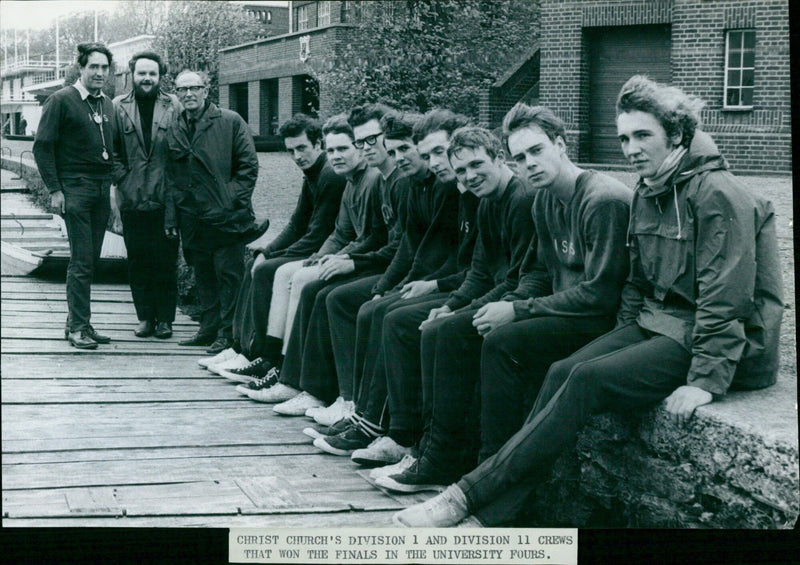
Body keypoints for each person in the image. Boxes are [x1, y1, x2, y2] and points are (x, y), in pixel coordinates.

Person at [393, 75, 783, 528]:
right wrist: (620, 336)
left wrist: (708, 380)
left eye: (643, 135)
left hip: (715, 345)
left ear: (675, 134)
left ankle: (470, 496)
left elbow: (726, 297)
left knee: (585, 378)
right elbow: (637, 285)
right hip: (661, 324)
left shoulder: (716, 192)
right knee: (563, 370)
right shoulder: (652, 187)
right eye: (624, 138)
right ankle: (496, 508)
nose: (631, 148)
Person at [316, 127, 536, 464]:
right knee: (395, 314)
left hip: (512, 301)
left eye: (475, 165)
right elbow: (475, 268)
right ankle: (395, 430)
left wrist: (453, 302)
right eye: (461, 169)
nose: (468, 175)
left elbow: (511, 277)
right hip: (481, 293)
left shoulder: (515, 198)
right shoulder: (482, 199)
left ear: (499, 158)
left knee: (414, 323)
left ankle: (424, 446)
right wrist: (449, 304)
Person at [238, 105, 410, 418]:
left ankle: (312, 384)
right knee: (303, 278)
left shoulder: (379, 180)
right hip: (375, 262)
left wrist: (347, 260)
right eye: (334, 150)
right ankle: (284, 368)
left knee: (322, 291)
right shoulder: (355, 182)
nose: (338, 155)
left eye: (346, 147)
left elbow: (378, 239)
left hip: (386, 269)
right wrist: (323, 256)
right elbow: (341, 231)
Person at [201, 114, 346, 376]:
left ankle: (258, 352)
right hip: (316, 244)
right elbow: (295, 224)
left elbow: (317, 233)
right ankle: (240, 346)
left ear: (318, 144)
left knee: (267, 270)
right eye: (291, 150)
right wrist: (266, 251)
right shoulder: (311, 174)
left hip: (328, 249)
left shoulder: (330, 176)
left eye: (302, 148)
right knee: (257, 261)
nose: (297, 156)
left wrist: (275, 257)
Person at [166, 70, 261, 355]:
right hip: (192, 218)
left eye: (195, 88)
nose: (188, 94)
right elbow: (172, 174)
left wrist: (228, 200)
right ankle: (208, 329)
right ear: (177, 94)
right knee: (202, 272)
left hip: (227, 217)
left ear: (207, 91)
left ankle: (228, 334)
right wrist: (173, 214)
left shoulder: (230, 121)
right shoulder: (176, 125)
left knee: (228, 274)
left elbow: (248, 167)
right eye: (182, 90)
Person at [33, 42, 116, 350]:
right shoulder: (61, 100)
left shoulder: (107, 104)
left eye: (104, 67)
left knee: (90, 259)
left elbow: (114, 150)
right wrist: (55, 189)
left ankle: (80, 322)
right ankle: (77, 327)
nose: (99, 72)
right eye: (93, 66)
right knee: (82, 260)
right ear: (81, 68)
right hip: (75, 190)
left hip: (101, 189)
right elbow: (43, 147)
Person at [111, 51, 181, 339]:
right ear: (132, 74)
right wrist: (124, 179)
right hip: (132, 199)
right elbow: (112, 151)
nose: (147, 78)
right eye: (142, 73)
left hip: (166, 200)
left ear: (160, 76)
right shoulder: (117, 107)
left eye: (153, 73)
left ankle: (165, 319)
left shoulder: (174, 104)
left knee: (166, 262)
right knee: (138, 261)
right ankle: (144, 318)